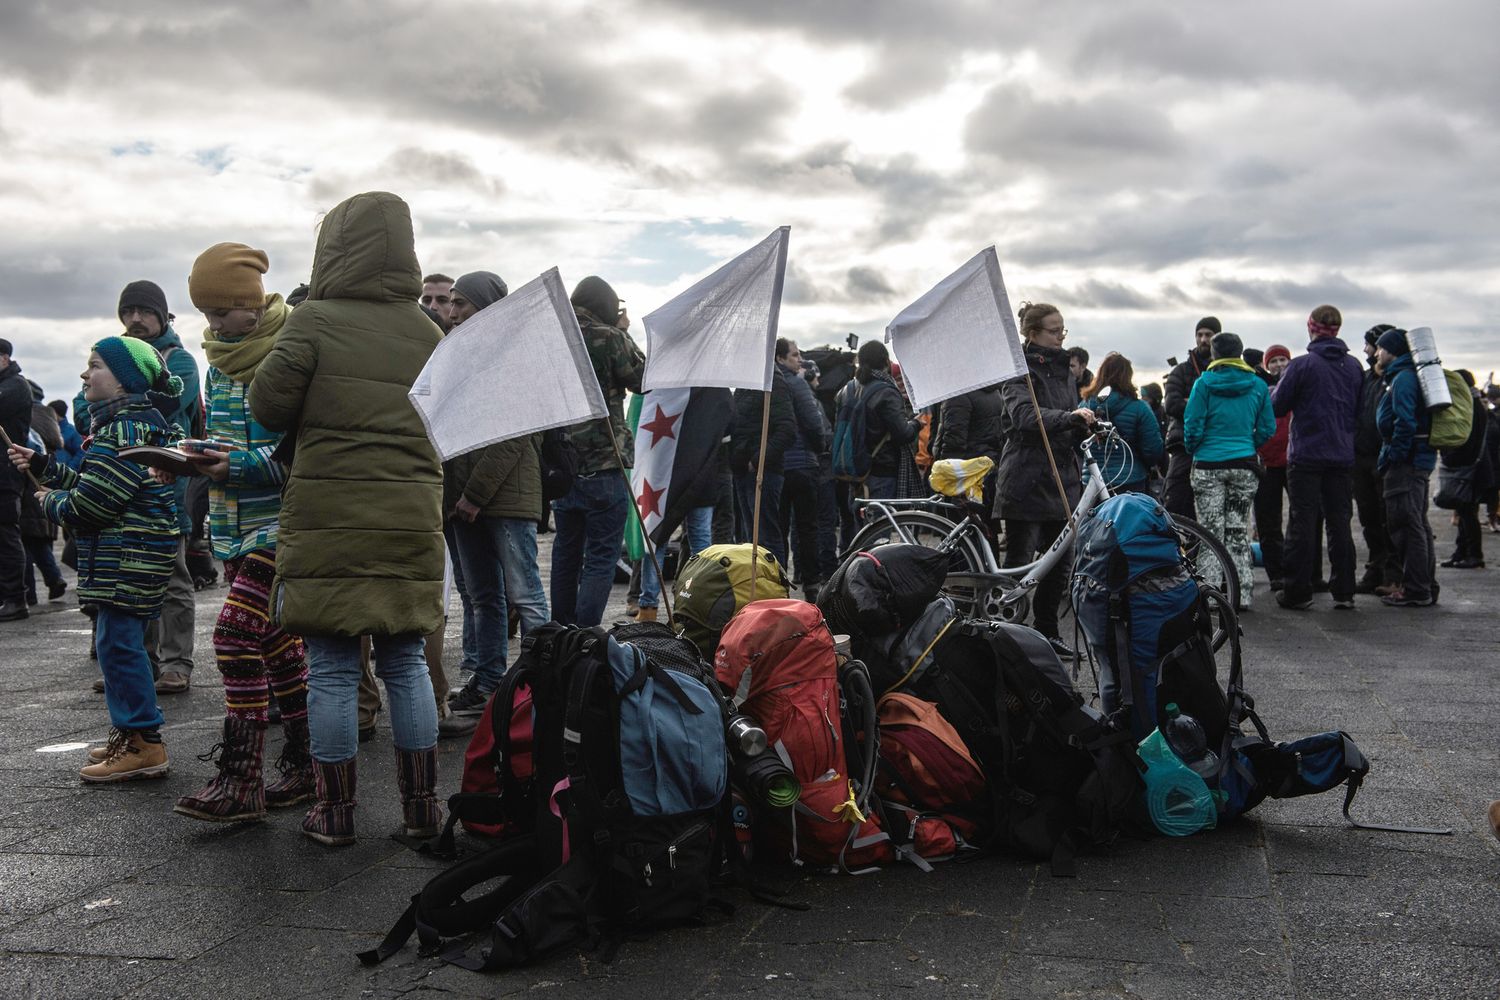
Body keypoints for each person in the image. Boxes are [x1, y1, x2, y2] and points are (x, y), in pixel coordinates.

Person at [249, 190, 445, 845]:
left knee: (332, 666)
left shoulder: (315, 321)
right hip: (410, 516)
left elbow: (267, 407)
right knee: (406, 661)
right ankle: (422, 809)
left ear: (334, 248)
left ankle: (334, 814)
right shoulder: (429, 331)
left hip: (330, 515)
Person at [173, 242, 314, 823]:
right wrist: (188, 459)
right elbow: (224, 440)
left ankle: (241, 778)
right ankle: (304, 766)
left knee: (233, 635)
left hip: (282, 522)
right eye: (205, 315)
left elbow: (299, 453)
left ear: (251, 307)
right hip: (235, 522)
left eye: (219, 313)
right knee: (279, 645)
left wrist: (235, 465)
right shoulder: (219, 357)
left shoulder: (290, 350)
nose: (211, 326)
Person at [9, 336, 182, 779]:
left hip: (125, 558)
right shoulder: (130, 426)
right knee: (119, 646)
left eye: (95, 365)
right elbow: (97, 481)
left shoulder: (123, 430)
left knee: (119, 648)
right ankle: (134, 735)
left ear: (125, 381)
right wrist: (43, 463)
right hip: (131, 556)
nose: (86, 374)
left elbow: (92, 506)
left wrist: (47, 502)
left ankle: (144, 741)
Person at [75, 282, 202, 693]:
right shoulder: (109, 357)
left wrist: (114, 396)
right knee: (125, 575)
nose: (135, 318)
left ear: (163, 316)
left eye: (145, 311)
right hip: (113, 483)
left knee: (172, 575)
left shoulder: (179, 360)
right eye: (128, 310)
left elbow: (162, 405)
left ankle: (176, 663)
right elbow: (82, 408)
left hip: (162, 484)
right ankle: (136, 663)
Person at [441, 270, 549, 719]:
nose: (451, 312)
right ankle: (488, 682)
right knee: (482, 597)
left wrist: (474, 495)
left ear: (485, 306)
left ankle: (547, 683)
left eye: (461, 303)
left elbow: (510, 439)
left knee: (525, 595)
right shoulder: (456, 356)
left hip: (502, 500)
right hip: (464, 499)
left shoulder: (515, 360)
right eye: (450, 303)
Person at [995, 303, 1094, 656]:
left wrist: (1084, 423)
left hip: (1062, 478)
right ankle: (1008, 634)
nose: (1061, 336)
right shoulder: (1017, 371)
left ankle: (1049, 632)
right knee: (1021, 566)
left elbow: (1067, 414)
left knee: (1060, 564)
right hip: (1027, 477)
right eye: (1054, 331)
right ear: (1033, 333)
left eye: (1063, 330)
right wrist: (1068, 417)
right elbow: (1023, 416)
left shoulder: (1067, 370)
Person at [550, 276, 645, 627]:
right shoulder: (610, 337)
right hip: (605, 462)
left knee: (566, 553)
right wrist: (621, 330)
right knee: (602, 556)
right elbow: (642, 379)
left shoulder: (556, 338)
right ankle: (585, 634)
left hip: (563, 465)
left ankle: (560, 629)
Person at [1272, 305, 1363, 611]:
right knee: (1340, 523)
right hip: (1341, 455)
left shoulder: (1301, 366)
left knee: (1302, 522)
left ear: (1311, 327)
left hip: (1306, 455)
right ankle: (1345, 590)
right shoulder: (1353, 367)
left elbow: (1278, 406)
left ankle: (1298, 591)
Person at [1183, 332, 1276, 610]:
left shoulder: (1203, 385)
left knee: (1211, 531)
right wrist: (1248, 444)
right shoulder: (1258, 386)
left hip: (1208, 465)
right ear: (1239, 353)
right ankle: (1242, 594)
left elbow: (1192, 426)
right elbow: (1268, 428)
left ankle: (1211, 595)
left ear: (1214, 354)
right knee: (1238, 531)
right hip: (1244, 464)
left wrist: (1197, 448)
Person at [1373, 328, 1437, 607]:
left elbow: (1405, 423)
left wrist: (1394, 457)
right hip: (1415, 461)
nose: (1377, 353)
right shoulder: (1406, 376)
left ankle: (1416, 589)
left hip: (1406, 464)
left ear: (1393, 351)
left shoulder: (1403, 379)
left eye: (1380, 348)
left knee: (1407, 526)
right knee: (1417, 525)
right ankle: (1424, 586)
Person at [776, 339, 828, 598]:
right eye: (795, 355)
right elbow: (813, 422)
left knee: (779, 529)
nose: (799, 360)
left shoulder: (769, 385)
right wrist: (818, 449)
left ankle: (779, 584)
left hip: (777, 466)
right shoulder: (797, 384)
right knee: (808, 528)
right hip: (803, 464)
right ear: (781, 358)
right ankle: (811, 585)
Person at [730, 362, 796, 567]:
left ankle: (775, 591)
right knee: (752, 539)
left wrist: (757, 460)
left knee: (766, 537)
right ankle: (759, 589)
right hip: (743, 469)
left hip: (762, 471)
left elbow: (787, 429)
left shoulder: (771, 379)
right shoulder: (746, 381)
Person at [841, 340, 921, 501]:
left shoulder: (849, 389)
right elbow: (903, 433)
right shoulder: (886, 391)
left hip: (855, 469)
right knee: (886, 522)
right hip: (883, 470)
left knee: (864, 524)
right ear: (886, 362)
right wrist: (916, 423)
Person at [1353, 327, 1401, 595]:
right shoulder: (1366, 378)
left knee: (1390, 519)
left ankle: (1394, 575)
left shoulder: (1396, 379)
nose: (1366, 351)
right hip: (1362, 458)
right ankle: (1376, 569)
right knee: (1369, 518)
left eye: (1369, 345)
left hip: (1385, 458)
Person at [1080, 353, 1164, 495]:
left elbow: (1077, 442)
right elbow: (1153, 450)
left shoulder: (1084, 406)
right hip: (1131, 480)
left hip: (1093, 483)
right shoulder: (1140, 408)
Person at [1162, 317, 1220, 518]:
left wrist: (1192, 401)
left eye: (1208, 335)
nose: (1203, 339)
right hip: (1183, 444)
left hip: (1215, 445)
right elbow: (1172, 405)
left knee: (1214, 508)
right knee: (1176, 501)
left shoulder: (1223, 371)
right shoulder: (1180, 371)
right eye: (1200, 334)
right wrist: (1207, 403)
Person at [20, 380, 67, 604]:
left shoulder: (26, 415)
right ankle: (54, 578)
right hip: (47, 482)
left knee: (26, 540)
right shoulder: (48, 415)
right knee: (40, 540)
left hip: (29, 482)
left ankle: (29, 592)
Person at [1439, 370, 1489, 569]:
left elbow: (1468, 439)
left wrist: (1451, 458)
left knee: (1468, 514)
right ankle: (1461, 553)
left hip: (1470, 468)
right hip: (1475, 467)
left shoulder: (1470, 405)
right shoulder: (1475, 403)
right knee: (1465, 512)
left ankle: (1474, 555)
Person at [1253, 344, 1292, 590]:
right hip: (1267, 461)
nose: (1278, 364)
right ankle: (1276, 573)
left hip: (1293, 460)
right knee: (1268, 521)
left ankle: (1301, 569)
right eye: (1274, 361)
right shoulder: (1260, 390)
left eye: (1282, 360)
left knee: (1300, 518)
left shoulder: (1296, 385)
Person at [0, 339, 32, 621]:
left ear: (4, 359)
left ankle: (15, 598)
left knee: (6, 536)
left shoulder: (16, 386)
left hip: (5, 475)